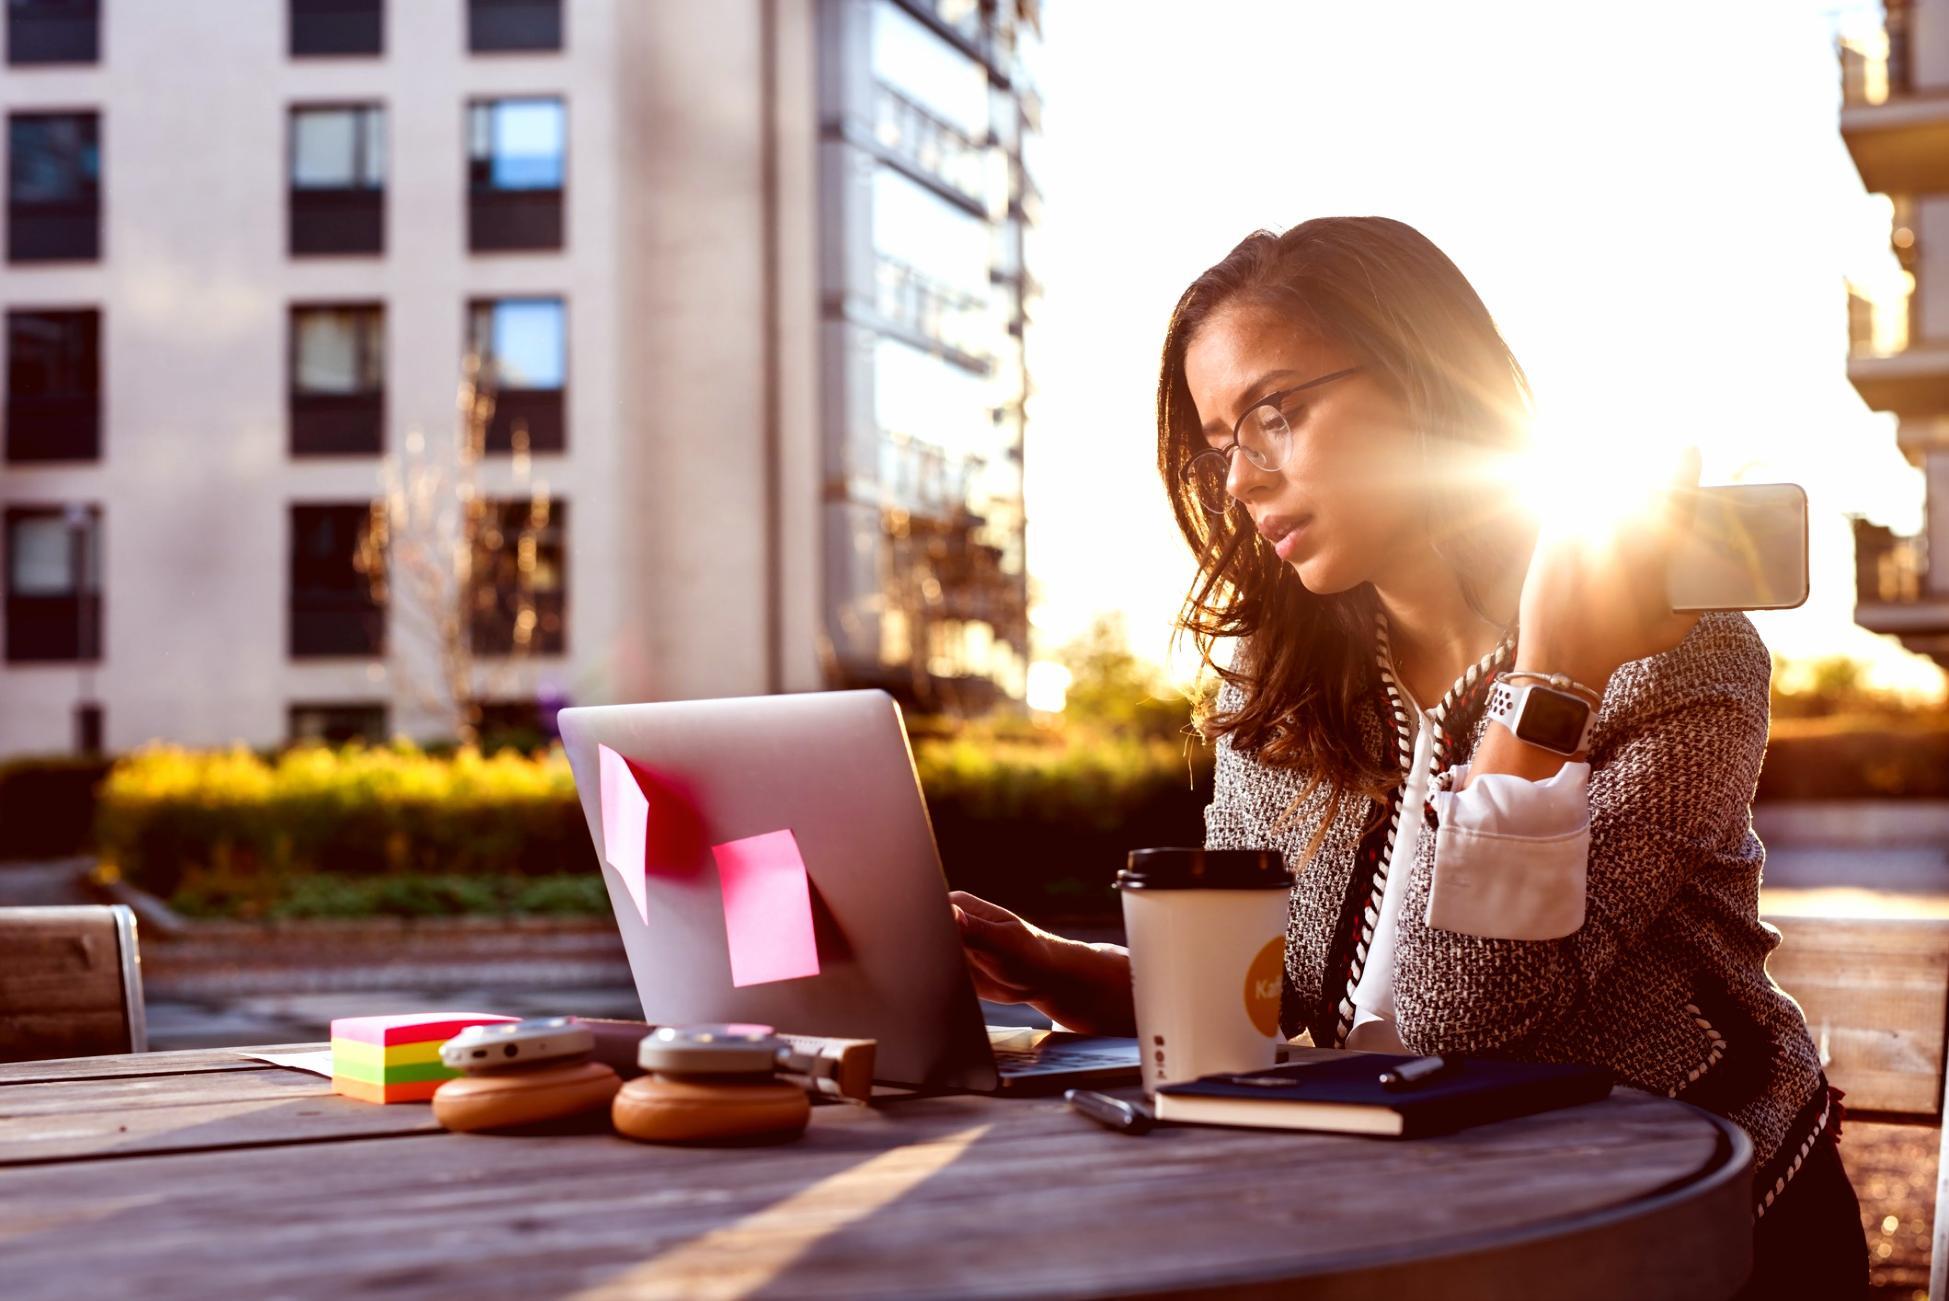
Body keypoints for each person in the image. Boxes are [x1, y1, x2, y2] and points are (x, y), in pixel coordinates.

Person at [952, 216, 1869, 1295]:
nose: (1240, 480)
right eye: (1218, 444)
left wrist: (1546, 684)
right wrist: (1076, 973)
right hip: (1404, 1206)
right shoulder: (1276, 681)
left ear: (1422, 378)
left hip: (1681, 1223)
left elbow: (1460, 1017)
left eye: (1273, 414)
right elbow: (1296, 989)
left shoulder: (1681, 657)